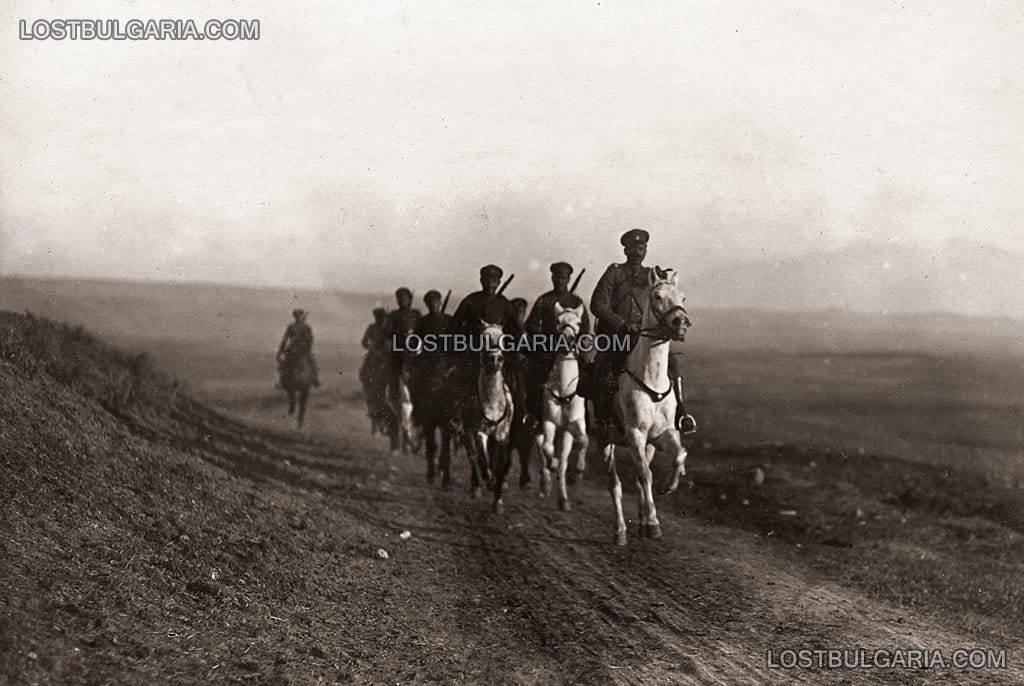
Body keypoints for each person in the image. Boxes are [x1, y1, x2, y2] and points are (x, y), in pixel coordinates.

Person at [587, 229, 695, 436]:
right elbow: (598, 304)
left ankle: (681, 414)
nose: (637, 252)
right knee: (605, 368)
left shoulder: (651, 276)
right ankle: (604, 421)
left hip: (645, 337)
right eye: (633, 247)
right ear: (625, 250)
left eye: (641, 247)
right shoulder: (615, 273)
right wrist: (622, 324)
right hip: (618, 337)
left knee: (673, 365)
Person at [447, 264, 526, 418]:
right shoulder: (470, 301)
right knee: (461, 382)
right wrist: (467, 340)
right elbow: (453, 327)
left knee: (517, 381)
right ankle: (457, 418)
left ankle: (521, 417)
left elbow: (515, 331)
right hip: (474, 353)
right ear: (481, 280)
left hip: (500, 353)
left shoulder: (504, 303)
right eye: (487, 279)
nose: (490, 283)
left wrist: (514, 348)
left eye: (494, 280)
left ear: (499, 282)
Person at [523, 262, 591, 422]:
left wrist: (575, 343)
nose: (560, 281)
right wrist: (547, 340)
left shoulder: (576, 302)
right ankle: (535, 417)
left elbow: (585, 328)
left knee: (585, 379)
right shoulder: (544, 300)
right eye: (557, 277)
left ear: (568, 279)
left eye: (563, 277)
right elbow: (531, 324)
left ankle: (585, 420)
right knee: (535, 378)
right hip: (547, 351)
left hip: (571, 351)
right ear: (552, 278)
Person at [408, 290, 452, 424]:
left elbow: (458, 340)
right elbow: (413, 342)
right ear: (426, 304)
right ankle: (417, 413)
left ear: (440, 302)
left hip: (447, 360)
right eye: (430, 302)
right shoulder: (422, 322)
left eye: (436, 301)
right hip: (427, 360)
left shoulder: (449, 320)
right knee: (414, 382)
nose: (433, 305)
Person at [383, 287, 422, 407]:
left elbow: (422, 332)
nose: (401, 301)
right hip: (398, 353)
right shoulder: (393, 315)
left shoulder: (416, 314)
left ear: (409, 299)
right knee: (394, 380)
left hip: (415, 352)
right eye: (399, 298)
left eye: (404, 298)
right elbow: (387, 334)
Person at [360, 307, 390, 433]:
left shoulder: (388, 329)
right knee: (364, 373)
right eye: (377, 316)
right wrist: (370, 347)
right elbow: (364, 342)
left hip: (386, 358)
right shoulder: (371, 328)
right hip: (373, 359)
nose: (379, 318)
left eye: (381, 316)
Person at [277, 308, 320, 387]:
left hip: (303, 350)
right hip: (291, 350)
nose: (297, 317)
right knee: (284, 364)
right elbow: (285, 339)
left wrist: (305, 347)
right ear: (294, 317)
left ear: (301, 316)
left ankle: (315, 380)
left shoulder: (306, 327)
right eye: (296, 316)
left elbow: (310, 340)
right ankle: (281, 382)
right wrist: (280, 352)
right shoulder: (291, 326)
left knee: (313, 363)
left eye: (299, 315)